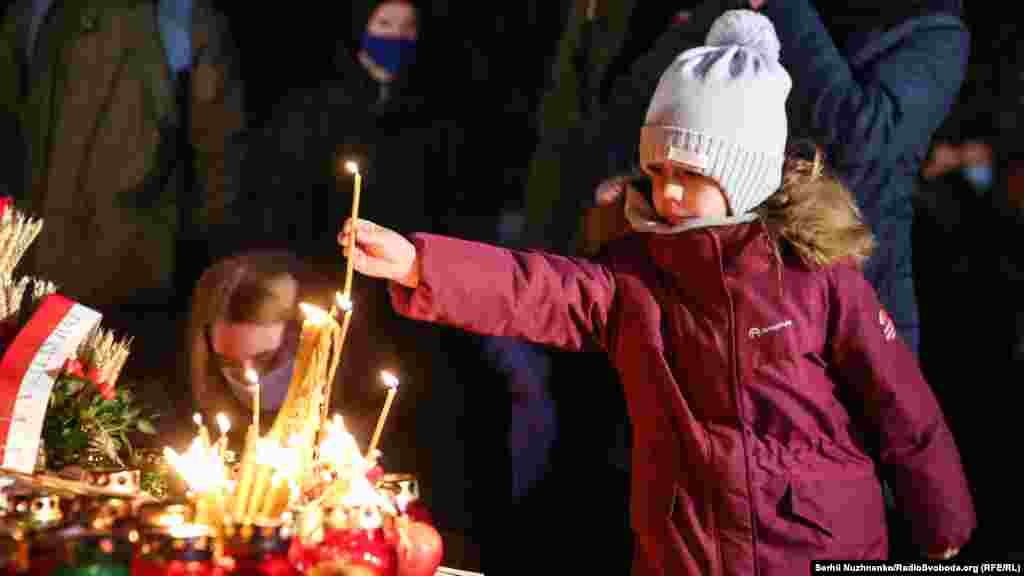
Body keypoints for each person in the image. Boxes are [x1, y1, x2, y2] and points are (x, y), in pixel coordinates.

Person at [339, 11, 975, 574]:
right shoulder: (635, 272)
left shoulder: (815, 272)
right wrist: (420, 264)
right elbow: (538, 289)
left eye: (690, 174)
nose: (667, 192)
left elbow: (898, 400)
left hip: (815, 542)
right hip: (686, 549)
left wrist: (941, 518)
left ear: (744, 172)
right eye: (657, 171)